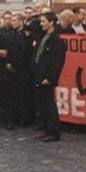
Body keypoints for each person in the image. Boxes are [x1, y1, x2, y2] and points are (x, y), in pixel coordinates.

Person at [32, 12, 67, 142]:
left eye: (43, 21)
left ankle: (53, 132)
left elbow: (57, 62)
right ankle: (46, 130)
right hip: (39, 75)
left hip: (47, 77)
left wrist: (50, 78)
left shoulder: (56, 40)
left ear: (52, 23)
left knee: (49, 105)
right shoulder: (44, 36)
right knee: (42, 105)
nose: (41, 24)